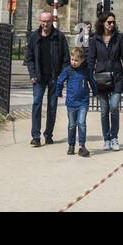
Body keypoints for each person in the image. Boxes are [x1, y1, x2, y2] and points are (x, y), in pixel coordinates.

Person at [86, 12, 123, 151]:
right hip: (101, 78)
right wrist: (88, 78)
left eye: (113, 22)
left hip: (117, 77)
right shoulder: (95, 39)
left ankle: (114, 137)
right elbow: (90, 60)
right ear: (102, 23)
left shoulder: (119, 38)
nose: (112, 24)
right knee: (104, 110)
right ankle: (106, 139)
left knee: (113, 107)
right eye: (109, 22)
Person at [25, 10, 69, 147]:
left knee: (52, 106)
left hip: (54, 77)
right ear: (40, 21)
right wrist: (32, 74)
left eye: (48, 21)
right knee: (37, 103)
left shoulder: (59, 37)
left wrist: (62, 77)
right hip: (39, 77)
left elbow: (66, 59)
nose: (45, 24)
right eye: (43, 21)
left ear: (52, 21)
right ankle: (36, 136)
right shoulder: (34, 37)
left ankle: (48, 134)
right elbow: (29, 57)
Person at [56, 46, 98, 157]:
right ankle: (71, 145)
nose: (73, 62)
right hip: (71, 102)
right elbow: (60, 81)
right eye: (72, 59)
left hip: (83, 102)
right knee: (71, 124)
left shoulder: (86, 70)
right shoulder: (67, 70)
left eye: (76, 60)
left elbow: (92, 81)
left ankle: (82, 146)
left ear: (82, 60)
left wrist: (95, 91)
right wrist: (58, 92)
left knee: (81, 123)